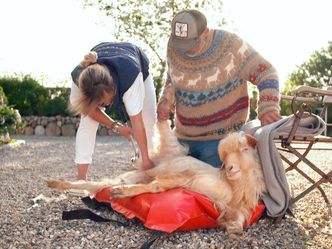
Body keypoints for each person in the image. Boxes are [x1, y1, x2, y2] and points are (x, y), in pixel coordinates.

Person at [157, 10, 281, 167]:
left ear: (206, 32)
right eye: (180, 43)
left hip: (220, 142)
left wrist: (268, 108)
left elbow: (266, 72)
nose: (185, 49)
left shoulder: (231, 45)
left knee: (209, 189)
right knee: (173, 186)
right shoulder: (174, 46)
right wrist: (165, 100)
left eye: (191, 43)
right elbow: (172, 79)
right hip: (181, 140)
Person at [70, 42, 157, 180]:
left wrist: (145, 158)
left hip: (135, 67)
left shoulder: (131, 76)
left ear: (113, 87)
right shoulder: (79, 79)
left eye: (105, 102)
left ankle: (147, 168)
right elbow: (90, 111)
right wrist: (115, 126)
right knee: (87, 123)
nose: (106, 105)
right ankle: (81, 180)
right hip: (104, 72)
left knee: (149, 120)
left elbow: (137, 121)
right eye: (100, 104)